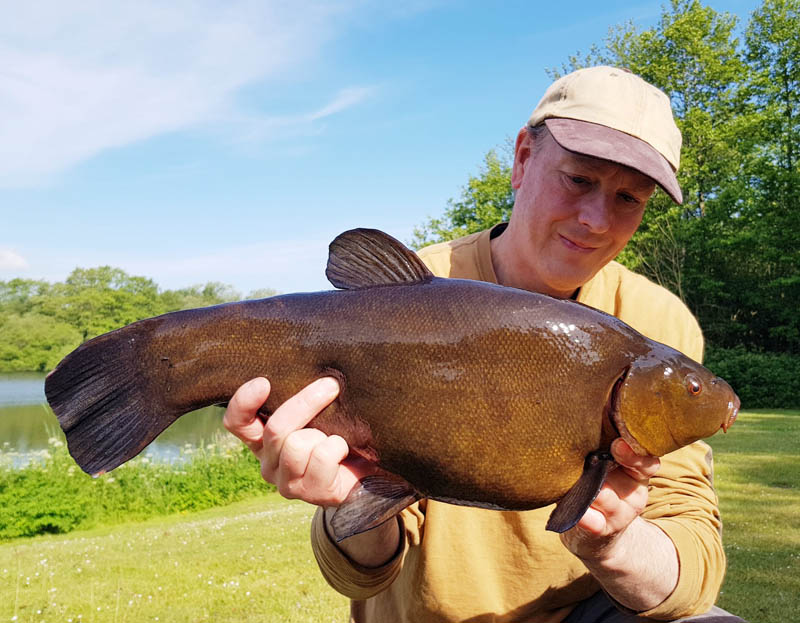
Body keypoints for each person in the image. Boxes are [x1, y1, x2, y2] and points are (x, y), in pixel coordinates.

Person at [223, 67, 746, 622]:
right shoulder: (411, 293)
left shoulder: (657, 325)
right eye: (578, 180)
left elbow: (690, 564)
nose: (596, 220)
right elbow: (359, 571)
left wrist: (612, 544)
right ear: (523, 159)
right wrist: (349, 500)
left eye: (628, 198)